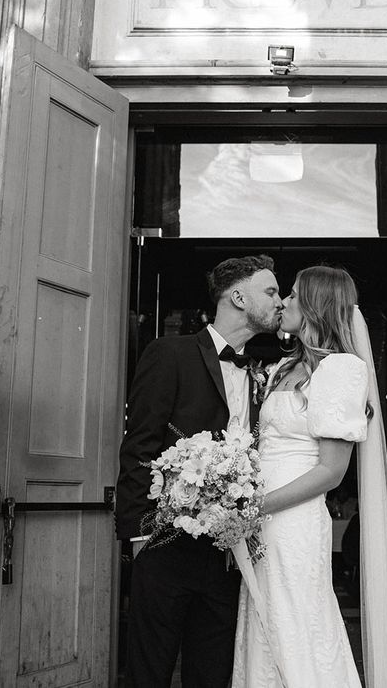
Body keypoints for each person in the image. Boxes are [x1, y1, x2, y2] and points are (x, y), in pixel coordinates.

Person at [231, 265, 387, 688]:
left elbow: (331, 471)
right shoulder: (282, 368)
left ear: (315, 305)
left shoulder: (342, 369)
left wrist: (258, 507)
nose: (283, 303)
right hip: (259, 521)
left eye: (292, 295)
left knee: (296, 622)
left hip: (292, 521)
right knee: (263, 620)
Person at [116, 255, 284, 688]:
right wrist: (140, 538)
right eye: (271, 291)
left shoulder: (260, 375)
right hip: (165, 546)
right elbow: (139, 446)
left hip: (227, 555)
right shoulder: (169, 354)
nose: (279, 301)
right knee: (147, 673)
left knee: (212, 674)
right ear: (238, 296)